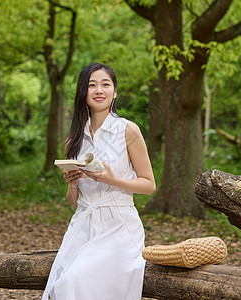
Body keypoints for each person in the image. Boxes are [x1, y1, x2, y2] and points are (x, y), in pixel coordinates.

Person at [41, 62, 156, 300]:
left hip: (119, 228)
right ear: (83, 93)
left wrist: (112, 180)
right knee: (62, 285)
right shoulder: (73, 139)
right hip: (82, 228)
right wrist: (72, 183)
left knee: (75, 280)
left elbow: (149, 184)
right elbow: (74, 202)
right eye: (91, 85)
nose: (99, 90)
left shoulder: (128, 130)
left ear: (115, 92)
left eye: (106, 84)